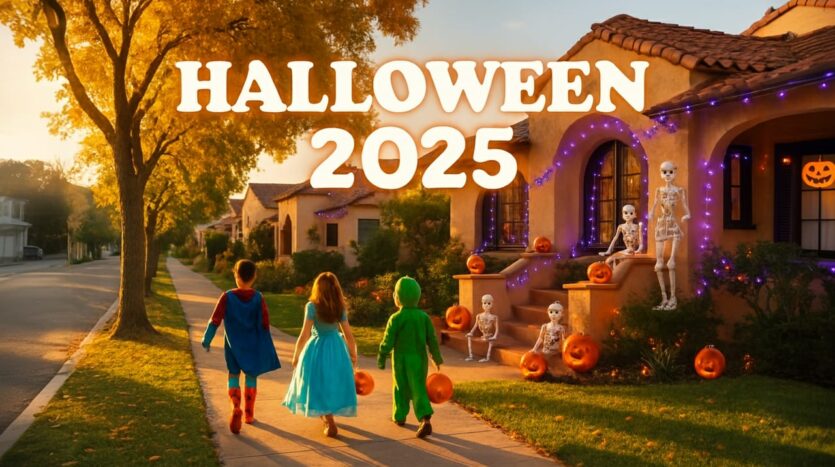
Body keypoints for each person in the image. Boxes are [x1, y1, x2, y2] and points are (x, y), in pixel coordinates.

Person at [202, 259, 280, 435]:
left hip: (232, 347)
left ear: (236, 275)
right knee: (251, 377)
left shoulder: (227, 296)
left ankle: (235, 406)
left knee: (233, 375)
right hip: (252, 346)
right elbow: (265, 323)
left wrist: (206, 340)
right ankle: (249, 415)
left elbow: (215, 319)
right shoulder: (258, 298)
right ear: (254, 276)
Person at [283, 272, 358, 438]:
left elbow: (304, 334)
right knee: (332, 381)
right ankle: (329, 415)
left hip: (317, 348)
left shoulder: (312, 307)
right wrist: (353, 354)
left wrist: (296, 355)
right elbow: (348, 334)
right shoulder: (340, 307)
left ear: (317, 289)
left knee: (317, 382)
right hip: (336, 348)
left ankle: (329, 420)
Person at [377, 276, 443, 438]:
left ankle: (400, 415)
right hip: (419, 359)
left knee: (400, 387)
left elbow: (388, 340)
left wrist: (382, 355)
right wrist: (436, 357)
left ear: (398, 298)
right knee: (418, 387)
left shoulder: (396, 318)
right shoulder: (423, 317)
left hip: (401, 360)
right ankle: (424, 417)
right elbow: (432, 339)